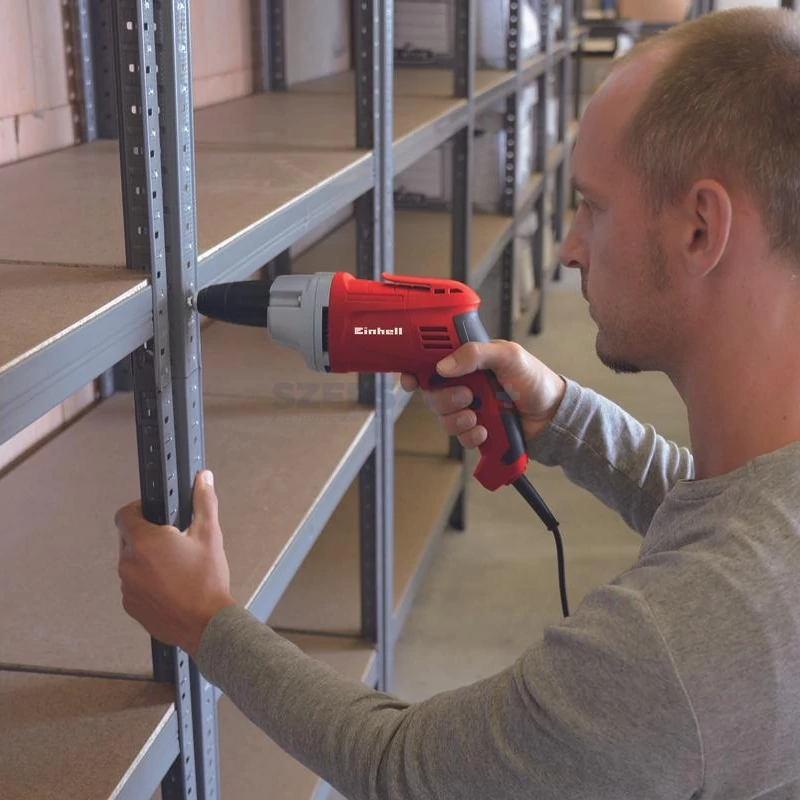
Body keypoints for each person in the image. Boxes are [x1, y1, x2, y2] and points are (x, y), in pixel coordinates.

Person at [114, 8, 800, 799]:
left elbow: (403, 768)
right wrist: (562, 416)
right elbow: (725, 516)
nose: (570, 247)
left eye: (593, 205)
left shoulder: (673, 649)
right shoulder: (762, 527)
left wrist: (207, 622)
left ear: (700, 228)